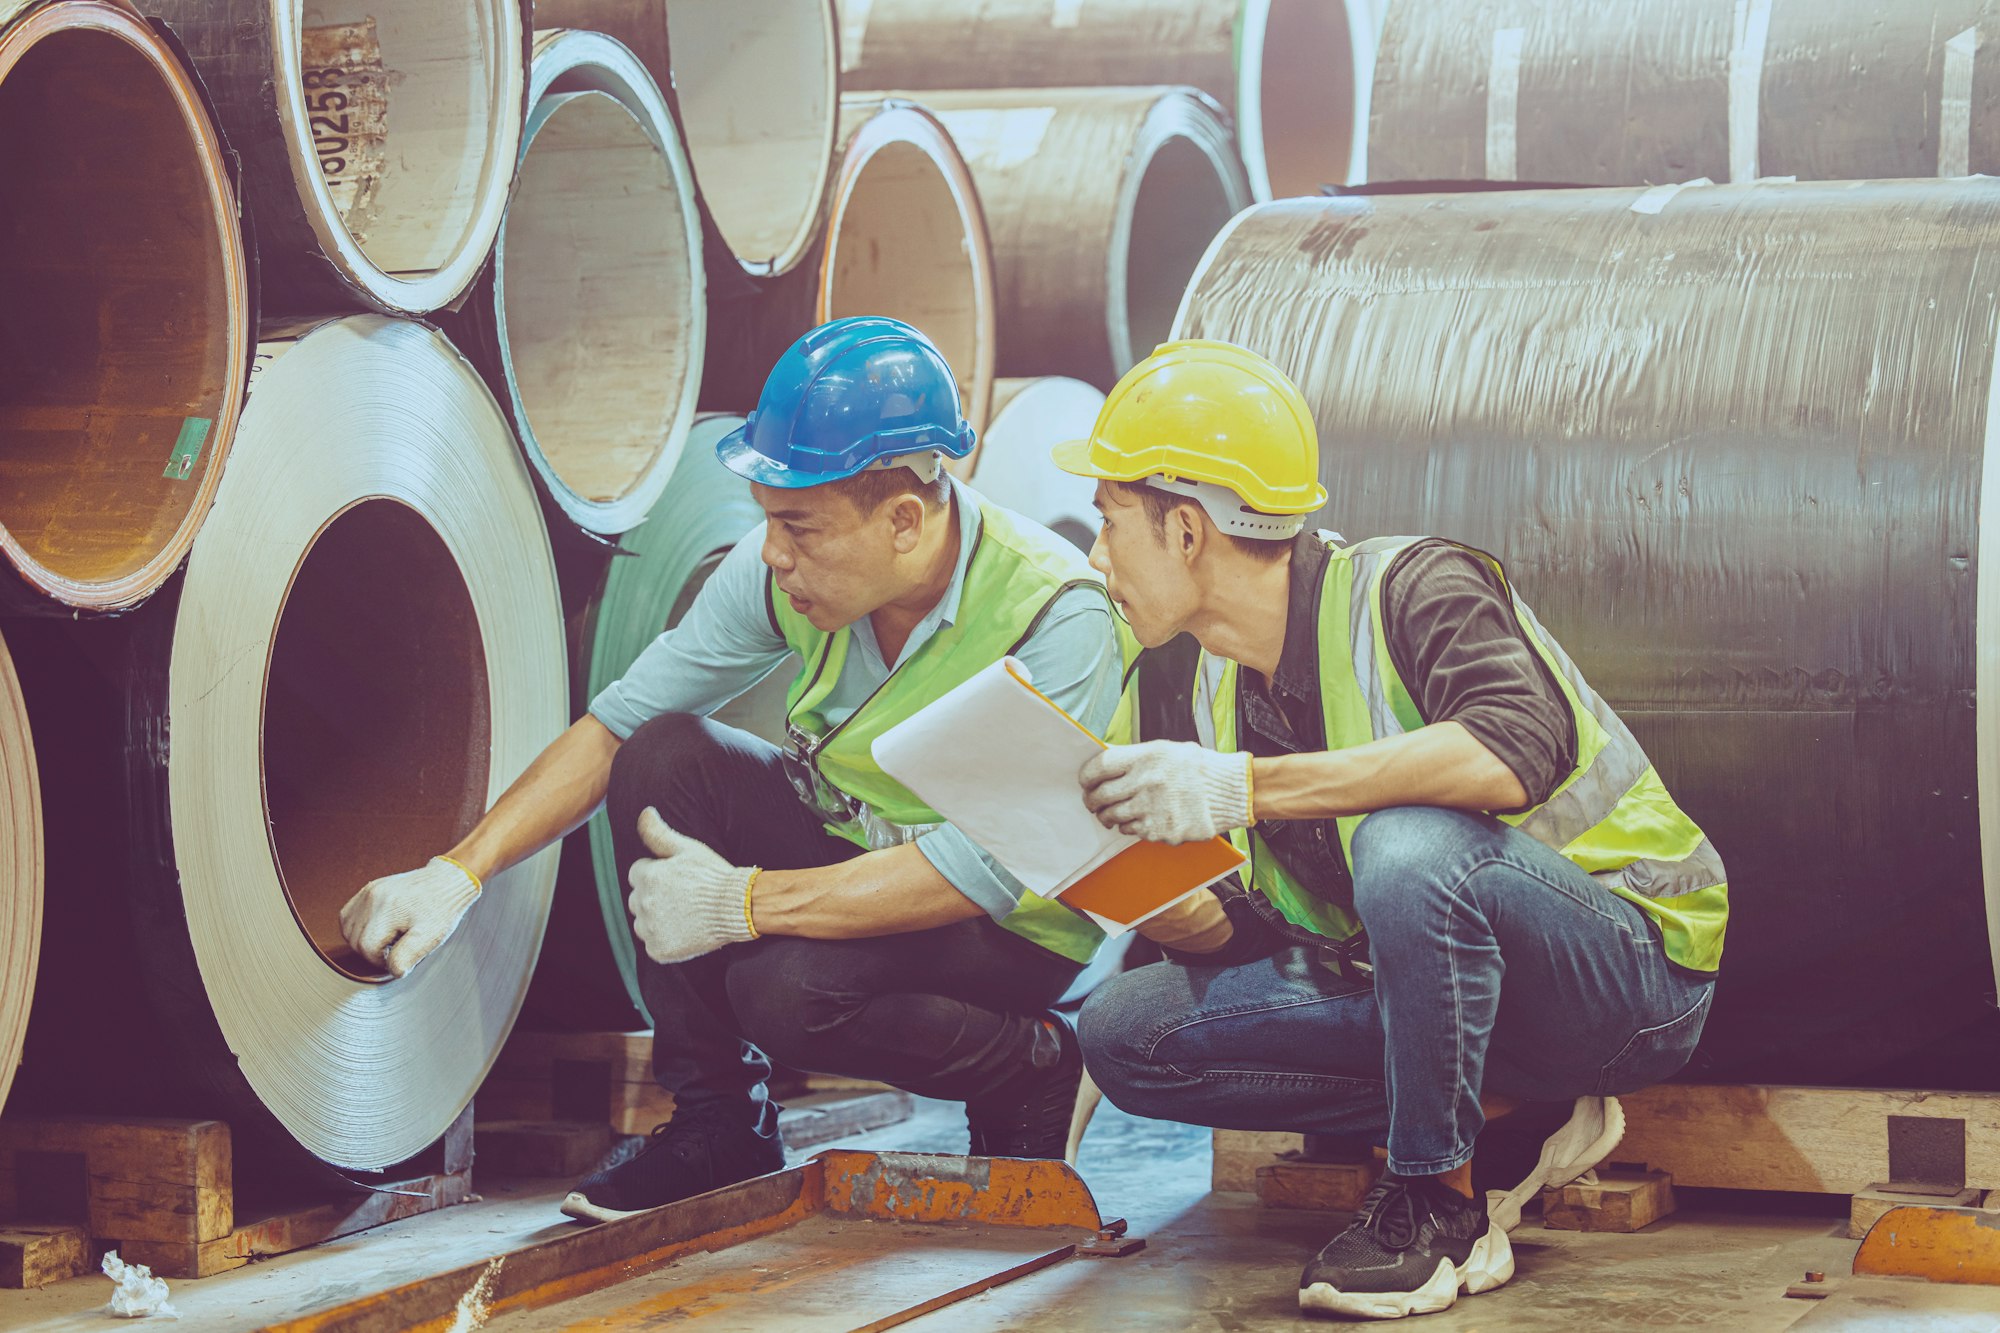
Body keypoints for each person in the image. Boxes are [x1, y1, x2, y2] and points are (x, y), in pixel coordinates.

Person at [336, 317, 1138, 1222]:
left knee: (784, 990)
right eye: (767, 520)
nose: (771, 553)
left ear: (905, 520)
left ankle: (1031, 1064)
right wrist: (458, 871)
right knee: (665, 754)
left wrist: (740, 904)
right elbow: (614, 728)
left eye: (799, 525)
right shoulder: (790, 578)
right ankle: (721, 1124)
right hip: (866, 861)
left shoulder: (1056, 614)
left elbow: (982, 868)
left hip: (1014, 926)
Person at [1055, 340, 1727, 1320]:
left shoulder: (1413, 589)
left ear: (1187, 531)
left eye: (1110, 523)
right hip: (1436, 998)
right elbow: (1257, 932)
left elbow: (1513, 747)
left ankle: (1435, 1202)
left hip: (1626, 975)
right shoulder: (1207, 682)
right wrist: (1128, 884)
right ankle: (1510, 1110)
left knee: (1407, 843)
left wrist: (1241, 787)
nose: (1094, 554)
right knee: (1126, 1031)